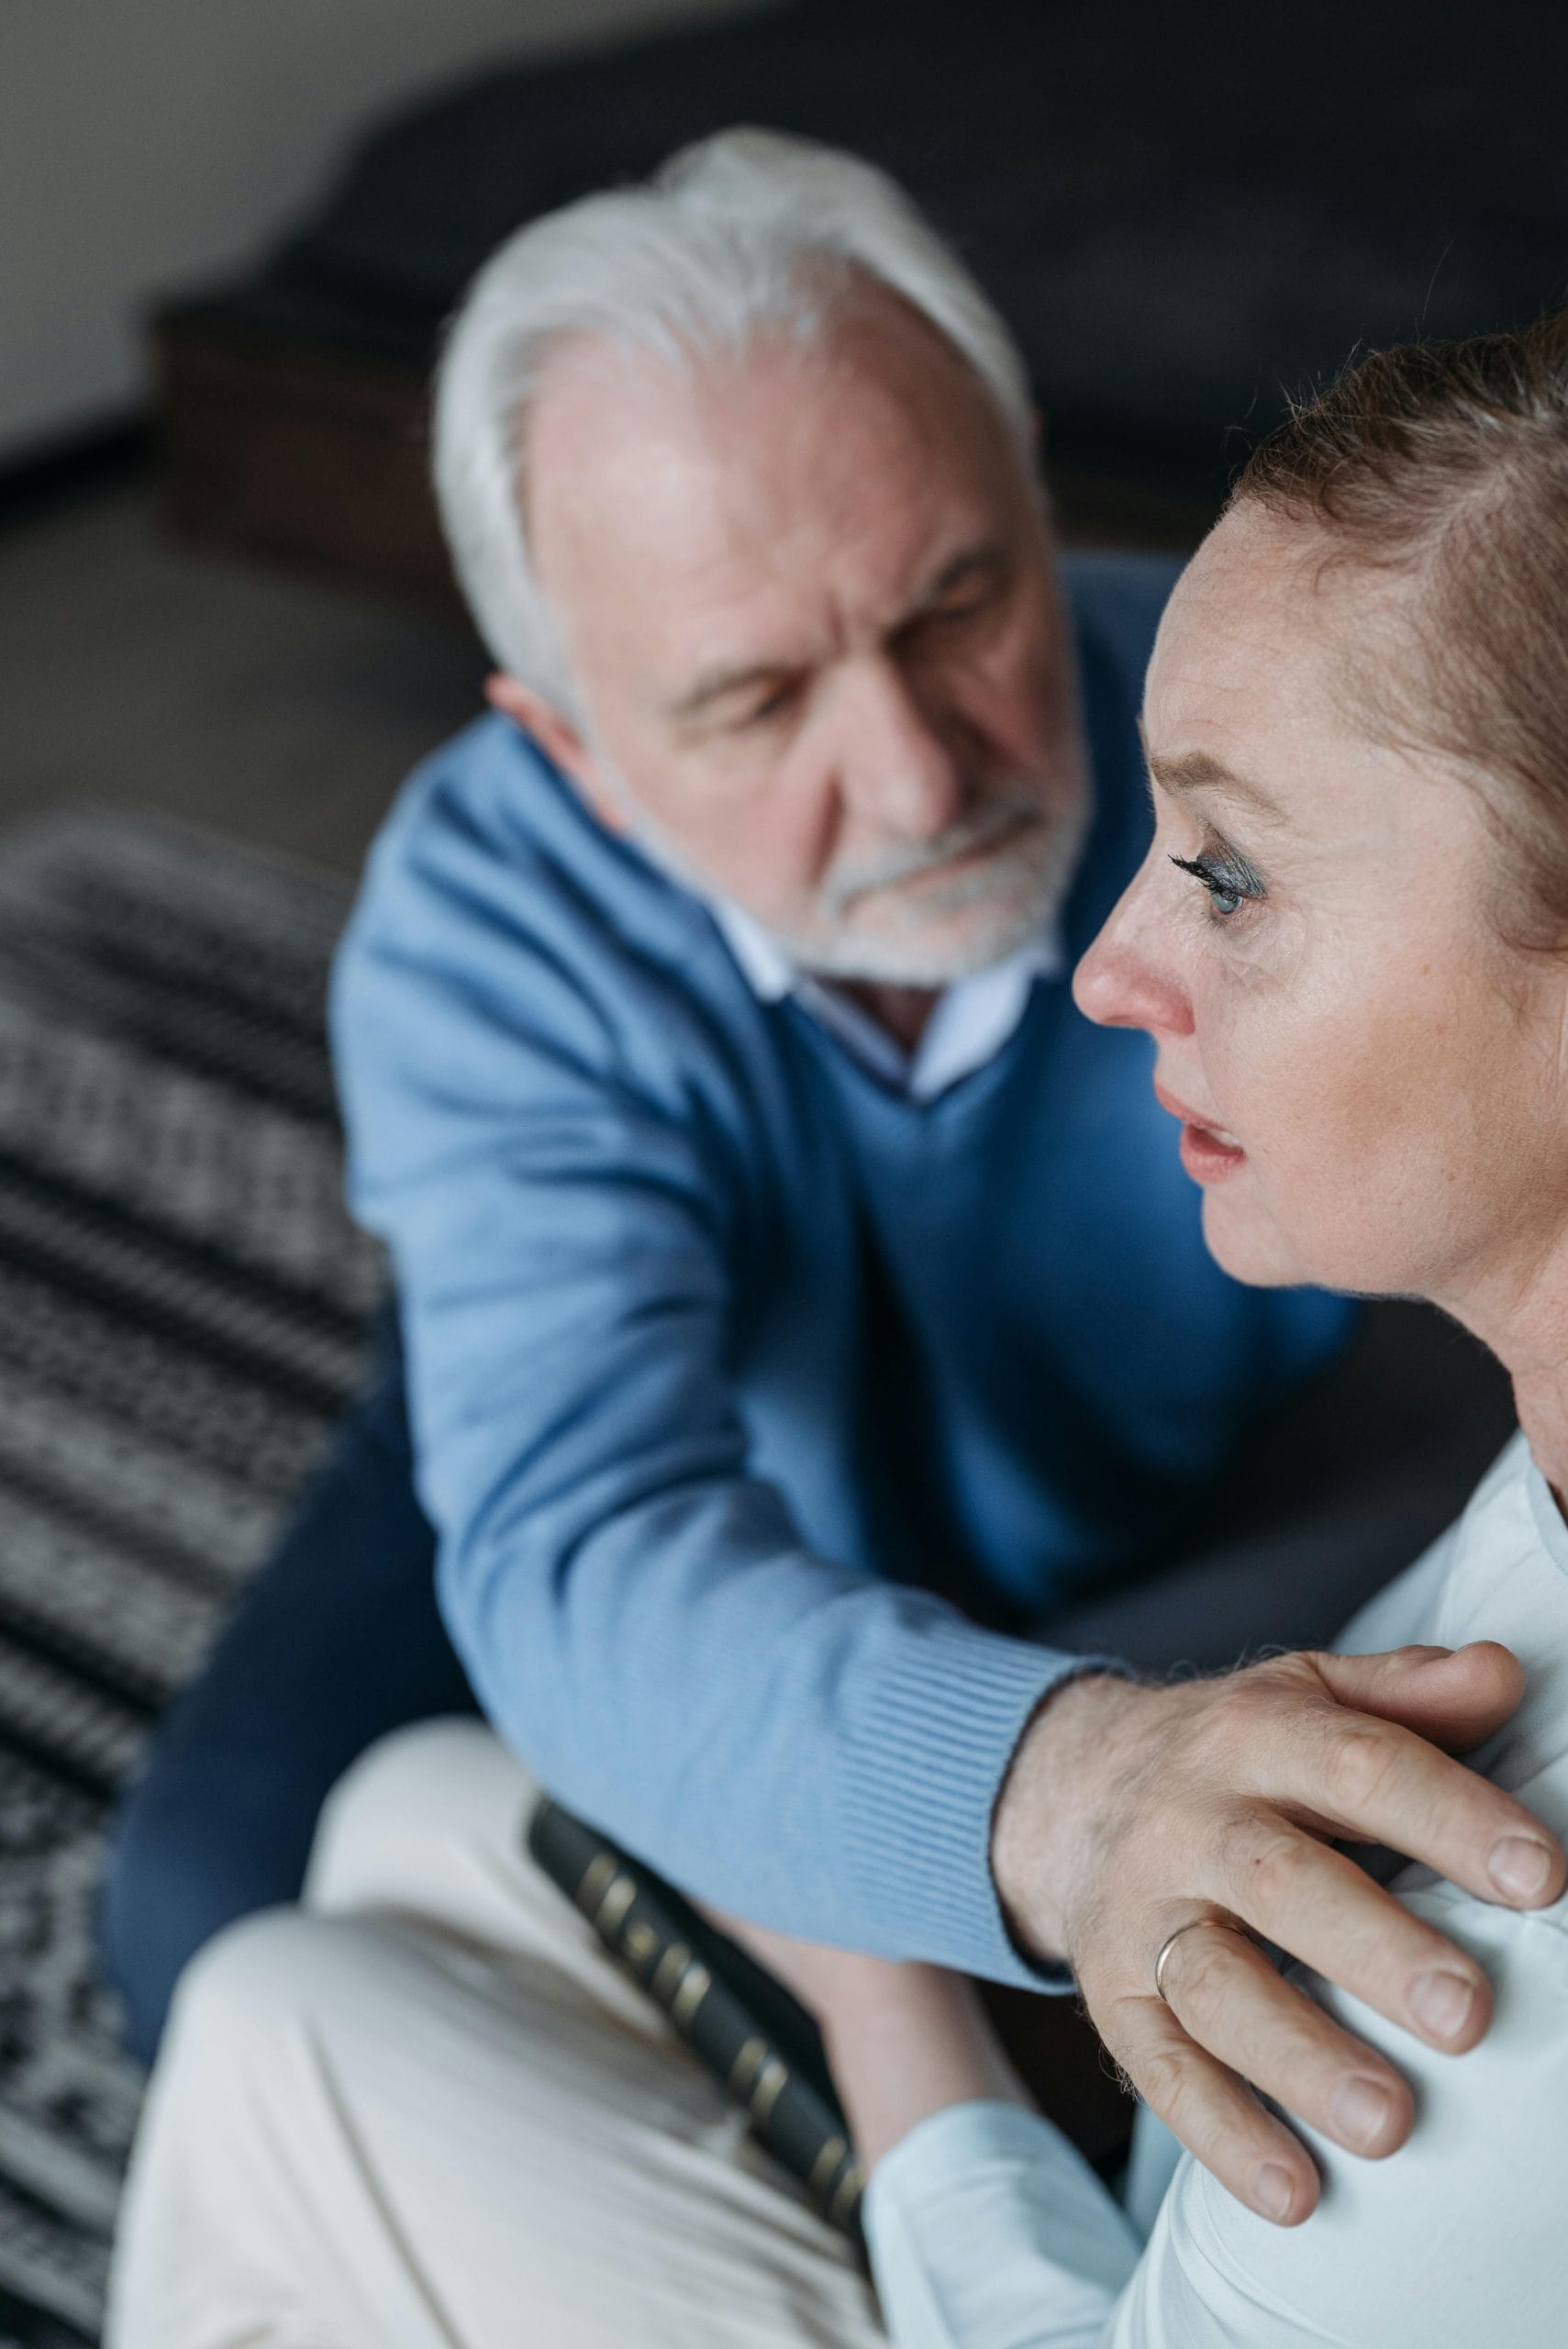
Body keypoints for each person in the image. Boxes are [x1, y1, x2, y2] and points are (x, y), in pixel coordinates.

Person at [102, 128, 1555, 2200]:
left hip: (1222, 1467)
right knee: (197, 1912)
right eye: (753, 698)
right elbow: (591, 1525)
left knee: (1312, 1877)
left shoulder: (1262, 726)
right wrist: (1044, 1790)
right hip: (666, 1450)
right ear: (569, 741)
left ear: (1030, 479)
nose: (913, 769)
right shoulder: (484, 922)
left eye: (959, 598)